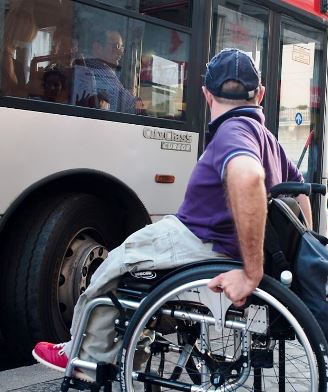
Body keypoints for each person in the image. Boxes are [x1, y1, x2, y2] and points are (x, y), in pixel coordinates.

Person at [32, 48, 312, 380]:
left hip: (198, 240)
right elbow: (300, 192)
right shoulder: (267, 138)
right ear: (260, 95)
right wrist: (301, 244)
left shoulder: (232, 132)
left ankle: (83, 357)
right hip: (214, 242)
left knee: (113, 266)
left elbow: (248, 177)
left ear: (206, 94)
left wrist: (252, 273)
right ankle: (128, 347)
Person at [72, 29, 136, 113]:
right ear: (98, 48)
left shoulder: (91, 66)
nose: (120, 52)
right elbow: (129, 103)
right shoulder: (101, 71)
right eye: (116, 46)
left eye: (121, 47)